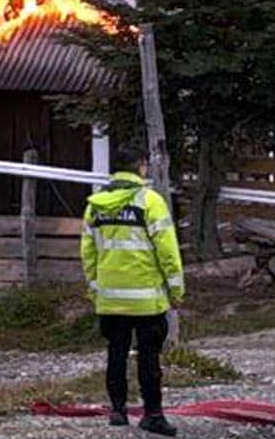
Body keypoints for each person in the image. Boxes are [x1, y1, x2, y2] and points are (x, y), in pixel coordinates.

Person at [80, 143, 185, 436]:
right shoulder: (150, 202)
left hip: (110, 300)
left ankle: (117, 411)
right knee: (148, 357)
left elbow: (88, 255)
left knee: (116, 353)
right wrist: (176, 290)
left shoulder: (95, 205)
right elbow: (168, 252)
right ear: (141, 166)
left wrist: (95, 290)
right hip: (146, 300)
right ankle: (152, 414)